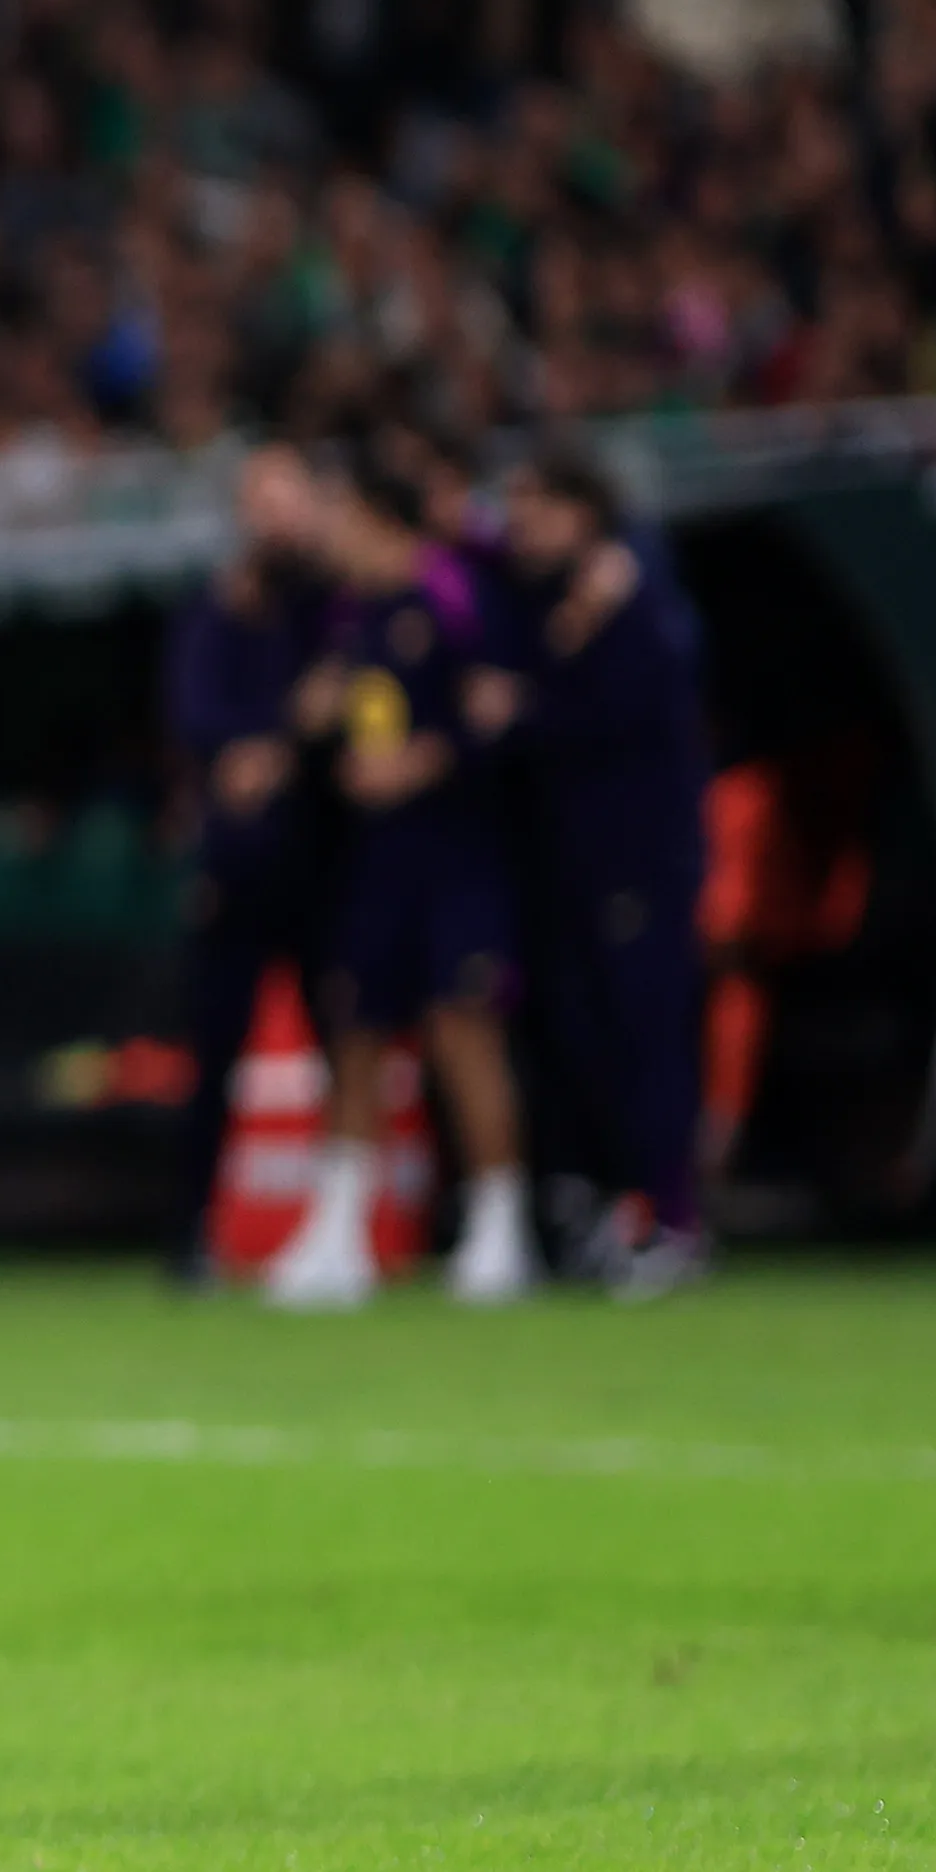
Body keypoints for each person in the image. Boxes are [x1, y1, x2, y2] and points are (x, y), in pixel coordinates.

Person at [266, 463, 532, 1308]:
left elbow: (496, 716)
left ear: (383, 519)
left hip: (456, 856)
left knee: (462, 1031)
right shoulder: (352, 619)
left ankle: (499, 1228)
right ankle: (338, 1233)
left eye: (343, 518)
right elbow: (334, 716)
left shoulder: (455, 598)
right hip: (376, 862)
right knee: (356, 1033)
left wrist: (426, 761)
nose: (331, 538)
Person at [495, 445, 714, 1298]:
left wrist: (525, 704)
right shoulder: (544, 596)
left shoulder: (634, 591)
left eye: (535, 506)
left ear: (583, 510)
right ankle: (603, 1217)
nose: (519, 525)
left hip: (638, 857)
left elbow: (627, 705)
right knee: (581, 1045)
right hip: (568, 865)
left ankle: (672, 1221)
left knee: (647, 1039)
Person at [158, 443, 333, 1282]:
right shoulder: (214, 612)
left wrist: (279, 745)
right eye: (260, 502)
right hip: (235, 870)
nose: (276, 518)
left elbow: (339, 705)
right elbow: (200, 726)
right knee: (215, 1050)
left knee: (353, 1044)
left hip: (324, 865)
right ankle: (193, 1226)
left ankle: (350, 1224)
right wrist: (278, 731)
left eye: (287, 499)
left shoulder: (333, 606)